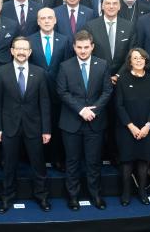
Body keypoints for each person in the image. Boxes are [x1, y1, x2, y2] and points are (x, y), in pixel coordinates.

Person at [0, 36, 52, 213]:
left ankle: (41, 196)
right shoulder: (2, 72)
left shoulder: (40, 72)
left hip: (34, 126)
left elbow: (45, 102)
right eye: (17, 48)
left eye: (24, 49)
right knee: (9, 165)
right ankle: (6, 198)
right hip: (9, 126)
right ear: (12, 51)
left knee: (38, 165)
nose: (21, 52)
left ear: (30, 52)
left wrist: (46, 129)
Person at [57, 30, 113, 211]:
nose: (82, 51)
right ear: (74, 47)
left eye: (86, 47)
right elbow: (62, 92)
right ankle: (73, 196)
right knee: (72, 162)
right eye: (79, 47)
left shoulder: (102, 65)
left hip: (95, 122)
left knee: (93, 161)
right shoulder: (65, 66)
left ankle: (95, 194)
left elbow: (107, 91)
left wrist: (93, 111)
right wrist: (81, 110)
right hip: (71, 122)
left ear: (92, 47)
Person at [27, 8, 73, 170]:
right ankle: (38, 159)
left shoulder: (65, 40)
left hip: (57, 91)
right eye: (43, 18)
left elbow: (68, 66)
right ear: (38, 21)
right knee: (36, 126)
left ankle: (57, 158)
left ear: (55, 20)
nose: (46, 21)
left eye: (49, 18)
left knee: (56, 125)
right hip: (34, 91)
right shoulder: (29, 40)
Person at [115, 48, 150, 206]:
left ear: (146, 61)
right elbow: (118, 106)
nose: (139, 60)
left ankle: (142, 192)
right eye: (135, 58)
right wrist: (131, 127)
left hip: (147, 128)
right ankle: (126, 193)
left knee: (143, 161)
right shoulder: (123, 80)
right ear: (130, 61)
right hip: (126, 129)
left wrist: (147, 126)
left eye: (142, 58)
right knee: (127, 162)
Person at [84, 0, 134, 74]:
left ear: (119, 6)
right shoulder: (90, 26)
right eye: (108, 3)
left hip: (122, 76)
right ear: (102, 6)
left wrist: (119, 75)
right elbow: (89, 53)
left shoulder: (129, 27)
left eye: (115, 3)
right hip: (98, 75)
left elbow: (131, 53)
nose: (111, 6)